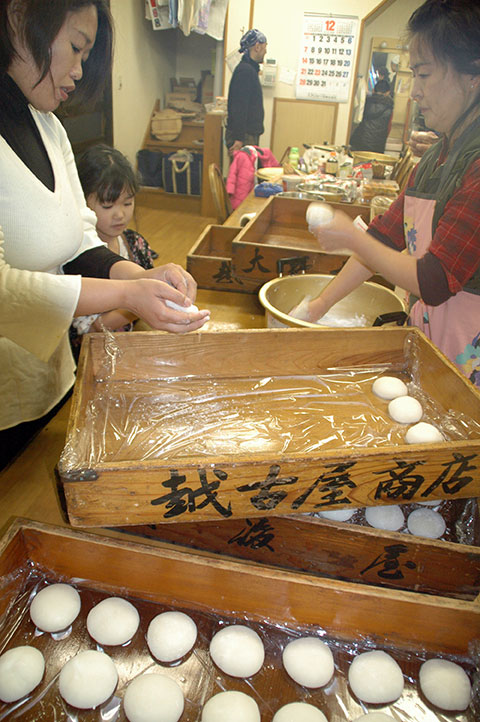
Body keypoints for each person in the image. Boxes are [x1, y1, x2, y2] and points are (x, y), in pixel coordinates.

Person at [0, 0, 209, 468]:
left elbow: (80, 241)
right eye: (75, 48)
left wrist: (145, 276)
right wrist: (131, 295)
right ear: (18, 17)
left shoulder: (47, 127)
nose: (78, 70)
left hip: (49, 379)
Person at [296, 0, 480, 387]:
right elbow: (383, 237)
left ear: (472, 75)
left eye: (425, 75)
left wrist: (350, 237)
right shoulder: (436, 159)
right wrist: (317, 307)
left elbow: (435, 280)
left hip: (469, 358)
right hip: (429, 344)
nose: (415, 92)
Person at [69, 144, 156, 361]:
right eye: (107, 206)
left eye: (127, 203)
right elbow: (88, 331)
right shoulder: (76, 258)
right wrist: (140, 303)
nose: (120, 215)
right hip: (93, 361)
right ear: (81, 202)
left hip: (131, 350)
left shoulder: (134, 243)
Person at [224, 28, 267, 156]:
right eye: (265, 47)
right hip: (244, 137)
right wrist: (239, 139)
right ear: (257, 47)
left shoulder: (249, 70)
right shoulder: (245, 72)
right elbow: (239, 107)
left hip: (246, 135)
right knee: (243, 175)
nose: (266, 51)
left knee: (246, 175)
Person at [349, 79, 394, 153]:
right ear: (387, 93)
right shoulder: (389, 108)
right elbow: (389, 128)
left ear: (373, 90)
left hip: (360, 142)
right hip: (377, 146)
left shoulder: (366, 103)